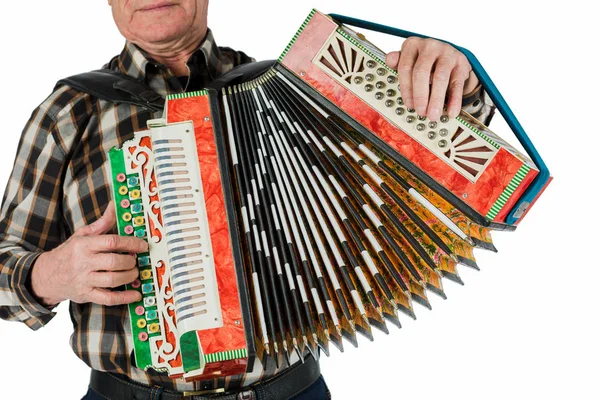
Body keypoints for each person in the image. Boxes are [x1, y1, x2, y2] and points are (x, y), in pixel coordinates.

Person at [0, 1, 493, 399]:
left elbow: (433, 156)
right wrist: (50, 274)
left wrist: (455, 83)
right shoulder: (68, 112)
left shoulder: (295, 89)